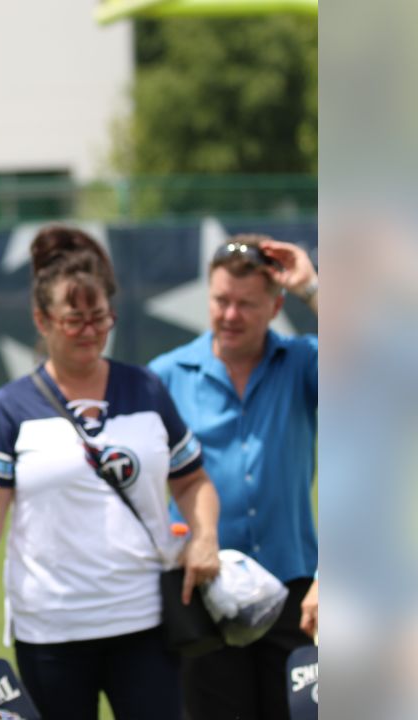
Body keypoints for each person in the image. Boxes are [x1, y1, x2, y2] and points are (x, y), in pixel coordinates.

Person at [0, 225, 221, 720]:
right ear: (42, 320)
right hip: (51, 631)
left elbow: (193, 480)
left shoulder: (147, 390)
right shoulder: (11, 408)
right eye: (75, 320)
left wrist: (204, 536)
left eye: (100, 317)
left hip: (148, 624)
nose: (91, 331)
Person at [149, 234, 319, 720]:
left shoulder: (303, 362)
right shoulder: (167, 375)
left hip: (296, 592)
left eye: (246, 304)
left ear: (276, 305)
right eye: (221, 300)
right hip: (199, 594)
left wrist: (314, 288)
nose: (230, 315)